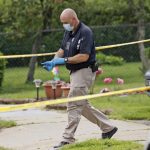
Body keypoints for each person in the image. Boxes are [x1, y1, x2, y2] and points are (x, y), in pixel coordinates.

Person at [41, 8, 118, 149]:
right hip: (75, 72)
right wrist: (53, 60)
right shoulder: (68, 32)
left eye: (65, 22)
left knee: (73, 104)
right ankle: (108, 128)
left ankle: (67, 139)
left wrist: (63, 60)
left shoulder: (85, 32)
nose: (64, 25)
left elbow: (84, 56)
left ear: (73, 19)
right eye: (62, 23)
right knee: (82, 105)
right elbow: (62, 49)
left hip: (84, 71)